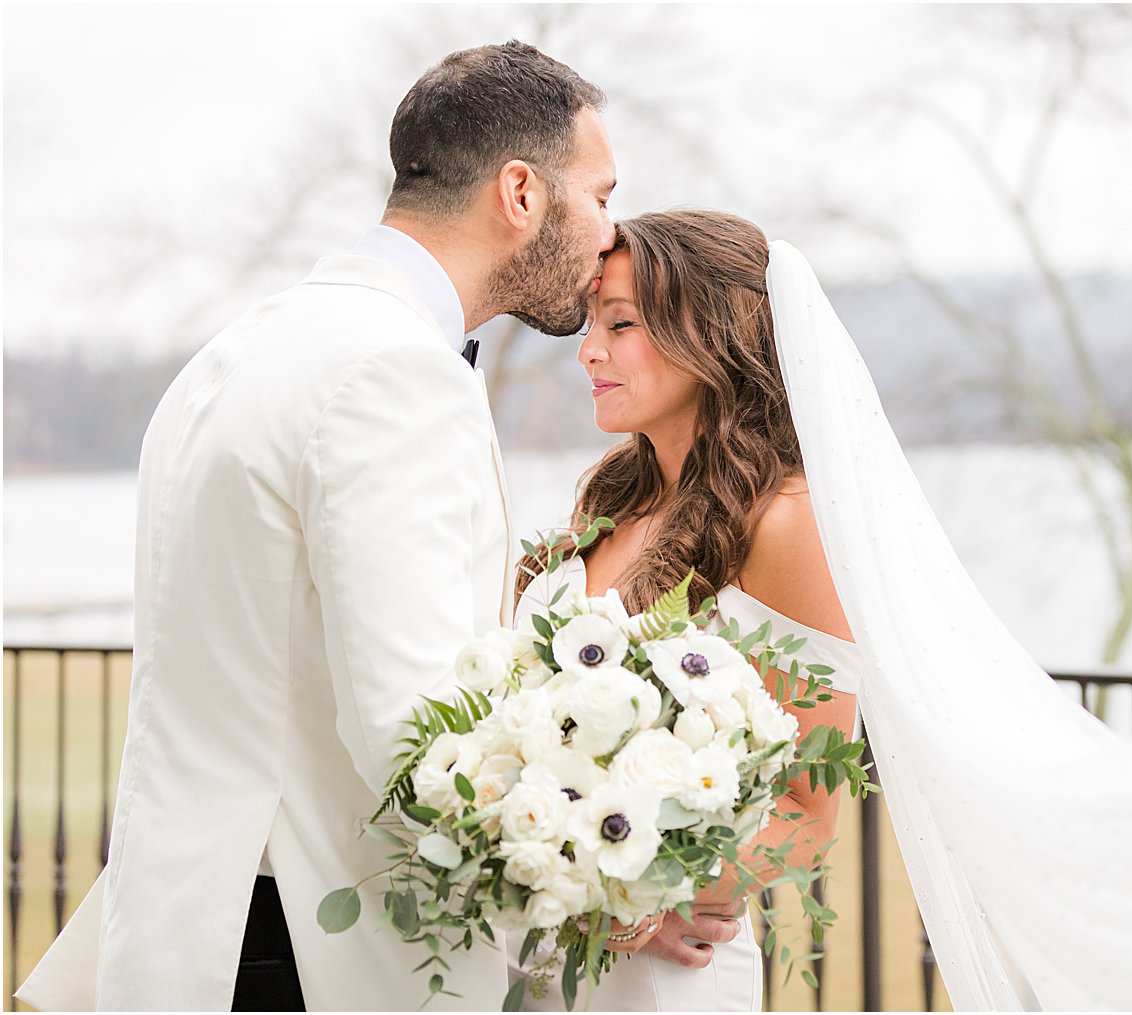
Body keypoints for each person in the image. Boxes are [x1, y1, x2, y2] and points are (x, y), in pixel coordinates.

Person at [18, 40, 623, 1012]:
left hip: (194, 932)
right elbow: (414, 729)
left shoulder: (238, 349)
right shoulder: (395, 375)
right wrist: (617, 855)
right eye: (599, 194)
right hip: (312, 953)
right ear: (521, 192)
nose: (608, 231)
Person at [508, 210, 863, 1011]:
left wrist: (630, 901)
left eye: (621, 323)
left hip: (662, 981)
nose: (589, 350)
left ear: (712, 336)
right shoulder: (613, 493)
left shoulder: (784, 521)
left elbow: (808, 811)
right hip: (539, 954)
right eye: (591, 324)